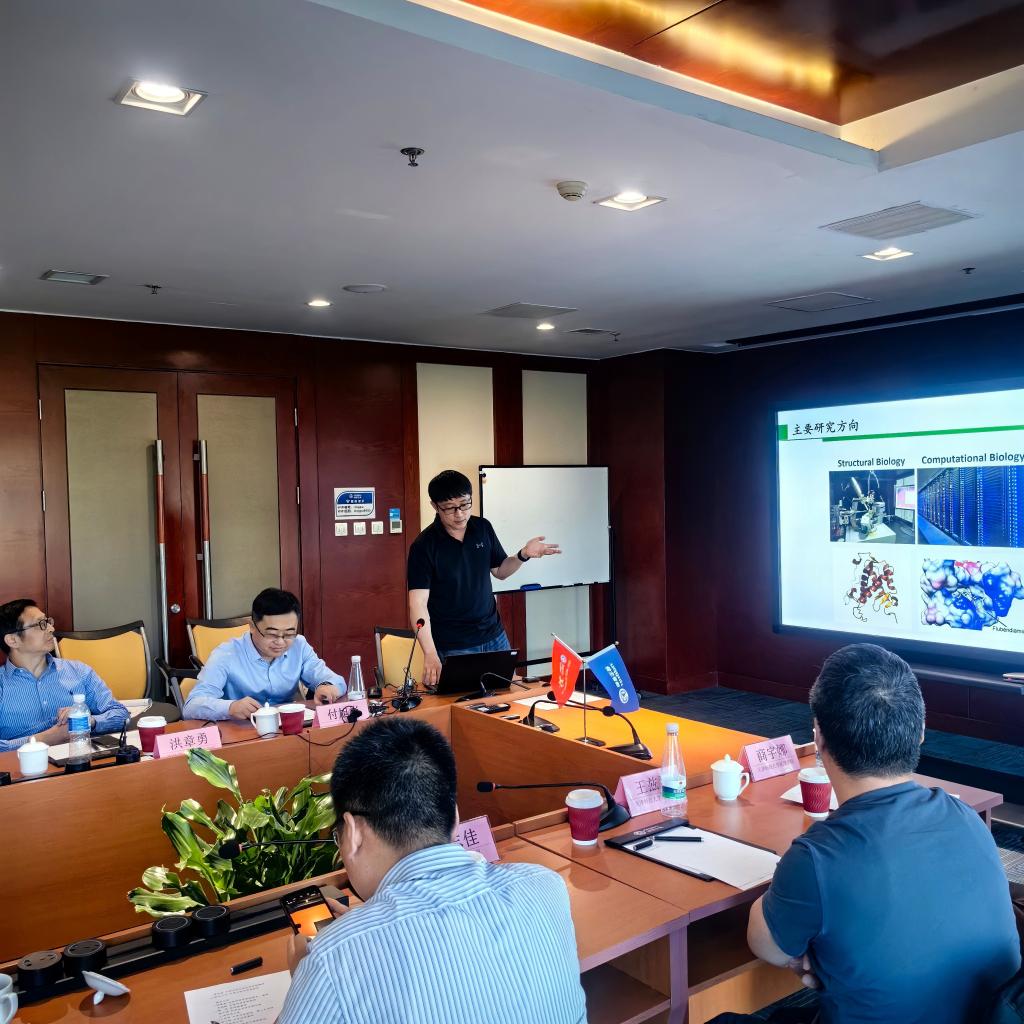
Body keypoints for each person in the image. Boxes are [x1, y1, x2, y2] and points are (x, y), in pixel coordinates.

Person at [716, 643, 1020, 1024]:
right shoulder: (967, 818)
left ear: (819, 738)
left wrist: (807, 940)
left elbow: (766, 945)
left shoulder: (818, 858)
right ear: (920, 732)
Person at [278, 716, 586, 1024]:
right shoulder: (545, 886)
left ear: (354, 832)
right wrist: (363, 926)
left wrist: (306, 977)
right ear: (455, 816)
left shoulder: (331, 961)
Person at [407, 469, 560, 686]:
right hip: (454, 643)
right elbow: (417, 604)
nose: (460, 514)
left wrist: (523, 555)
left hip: (494, 634)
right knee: (464, 701)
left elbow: (500, 571)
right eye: (450, 508)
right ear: (435, 506)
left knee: (507, 692)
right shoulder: (424, 546)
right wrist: (430, 653)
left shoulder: (482, 528)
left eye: (465, 504)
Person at [182, 588, 345, 721]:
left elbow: (336, 680)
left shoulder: (299, 645)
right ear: (252, 626)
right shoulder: (226, 654)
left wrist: (327, 686)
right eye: (272, 634)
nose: (280, 642)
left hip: (287, 728)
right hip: (241, 731)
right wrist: (230, 707)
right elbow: (191, 706)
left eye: (289, 633)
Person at [0, 598, 129, 752]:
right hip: (22, 765)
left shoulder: (78, 671)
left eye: (48, 622)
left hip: (80, 759)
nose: (51, 629)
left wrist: (87, 721)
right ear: (12, 640)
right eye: (41, 624)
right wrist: (46, 738)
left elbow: (121, 715)